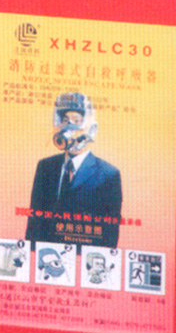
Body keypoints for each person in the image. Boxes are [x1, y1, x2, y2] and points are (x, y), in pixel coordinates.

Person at [26, 93, 122, 248]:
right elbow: (34, 223)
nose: (70, 127)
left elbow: (109, 234)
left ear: (93, 129)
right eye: (65, 120)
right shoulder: (45, 167)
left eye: (77, 121)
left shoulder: (108, 175)